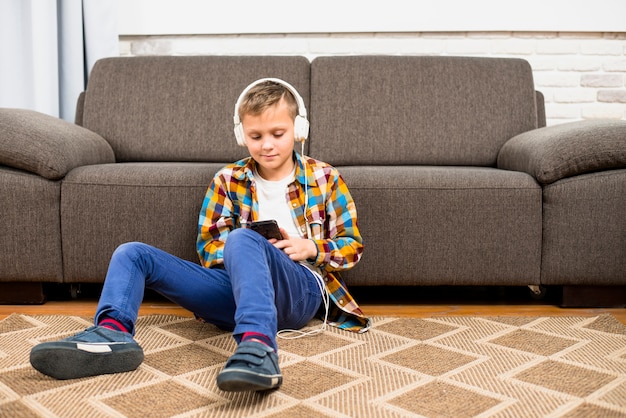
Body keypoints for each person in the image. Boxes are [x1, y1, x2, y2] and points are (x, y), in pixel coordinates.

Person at [29, 78, 371, 392]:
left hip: (300, 291)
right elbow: (209, 249)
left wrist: (307, 246)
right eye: (256, 136)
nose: (267, 145)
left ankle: (258, 347)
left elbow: (352, 247)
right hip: (236, 288)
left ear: (299, 129)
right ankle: (112, 334)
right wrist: (252, 251)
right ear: (242, 136)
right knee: (132, 253)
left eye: (277, 134)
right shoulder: (228, 179)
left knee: (241, 238)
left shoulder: (324, 177)